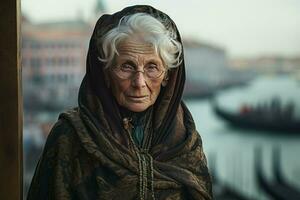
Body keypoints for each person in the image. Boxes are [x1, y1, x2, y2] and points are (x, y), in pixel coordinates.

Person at [27, 5, 212, 200]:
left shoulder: (185, 139)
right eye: (126, 66)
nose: (139, 83)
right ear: (105, 72)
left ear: (167, 76)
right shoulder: (70, 136)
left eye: (152, 67)